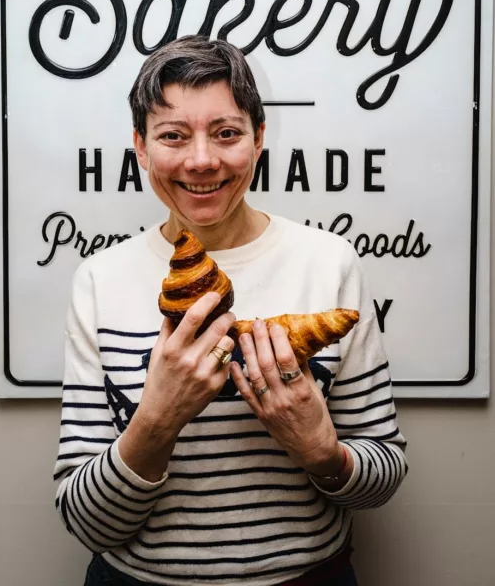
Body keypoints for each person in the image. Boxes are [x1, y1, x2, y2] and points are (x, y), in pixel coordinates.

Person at [54, 35, 407, 586]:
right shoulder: (98, 280)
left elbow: (382, 479)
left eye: (226, 133)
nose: (202, 160)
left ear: (259, 138)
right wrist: (158, 418)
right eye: (173, 135)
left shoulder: (329, 263)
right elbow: (87, 522)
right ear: (141, 147)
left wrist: (320, 451)